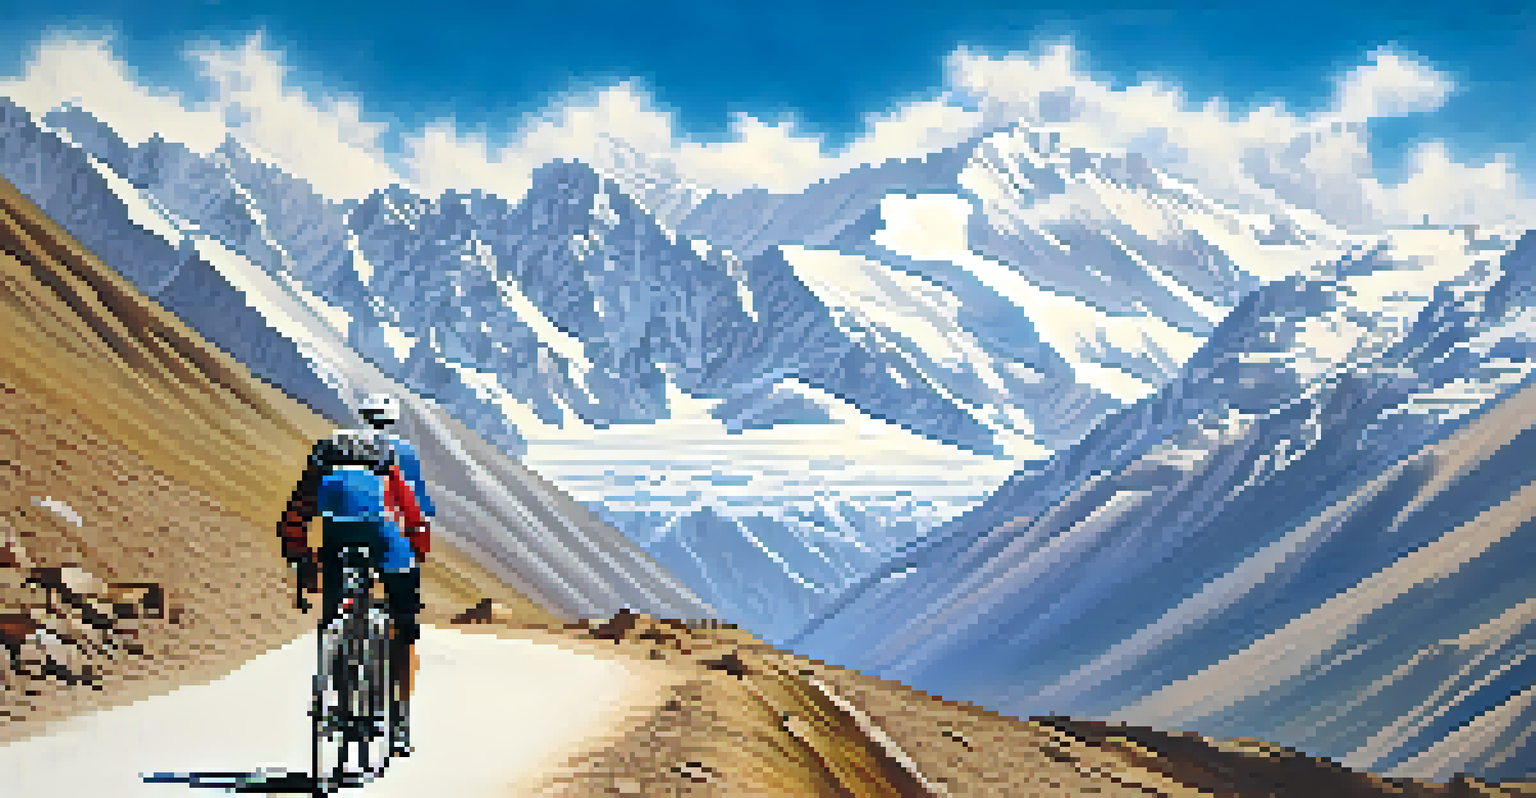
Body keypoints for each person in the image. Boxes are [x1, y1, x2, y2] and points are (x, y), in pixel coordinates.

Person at [277, 392, 434, 757]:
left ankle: (340, 693)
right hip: (384, 539)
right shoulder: (390, 457)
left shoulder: (324, 456)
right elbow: (412, 515)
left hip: (335, 541)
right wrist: (416, 556)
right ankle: (400, 723)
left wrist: (303, 562)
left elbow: (295, 516)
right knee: (404, 627)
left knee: (336, 616)